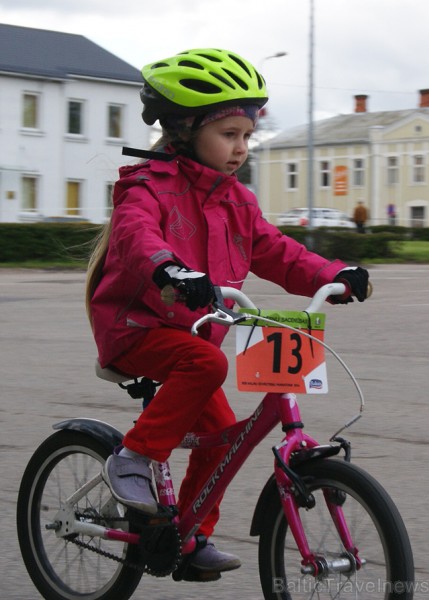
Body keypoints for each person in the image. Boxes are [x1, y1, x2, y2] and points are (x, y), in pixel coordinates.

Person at [85, 48, 369, 577]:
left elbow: (278, 251)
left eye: (247, 134)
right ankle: (134, 456)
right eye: (229, 134)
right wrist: (172, 272)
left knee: (226, 435)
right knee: (209, 366)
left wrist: (333, 274)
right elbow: (137, 239)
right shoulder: (146, 188)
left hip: (193, 338)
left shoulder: (237, 200)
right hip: (137, 327)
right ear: (186, 131)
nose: (241, 147)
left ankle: (187, 538)